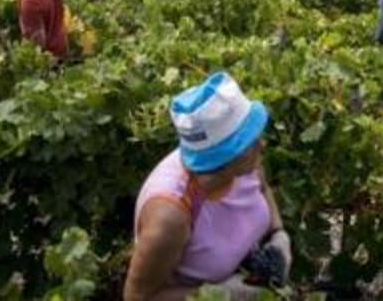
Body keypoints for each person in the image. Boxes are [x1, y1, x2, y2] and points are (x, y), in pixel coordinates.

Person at [124, 72, 292, 301]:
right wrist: (218, 295)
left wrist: (278, 235)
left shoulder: (246, 164)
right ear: (225, 157)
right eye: (250, 140)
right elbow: (137, 298)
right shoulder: (170, 216)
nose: (261, 143)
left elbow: (263, 190)